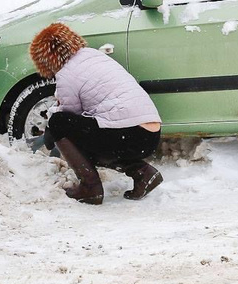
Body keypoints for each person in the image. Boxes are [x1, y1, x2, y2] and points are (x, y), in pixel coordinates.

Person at [29, 23, 163, 205]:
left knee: (59, 123)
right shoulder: (93, 55)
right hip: (149, 135)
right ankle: (143, 173)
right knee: (93, 136)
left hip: (129, 134)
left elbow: (69, 115)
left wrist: (50, 131)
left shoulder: (66, 74)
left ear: (46, 59)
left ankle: (90, 187)